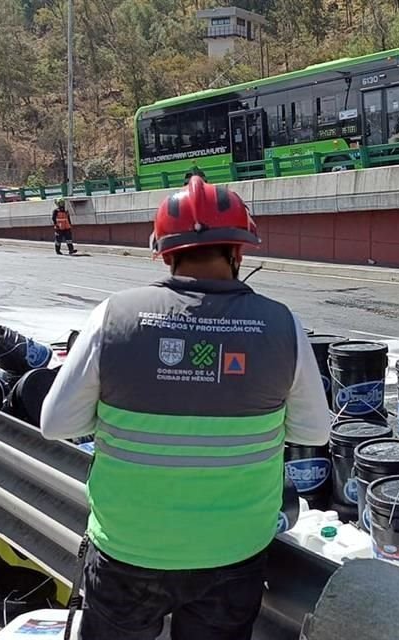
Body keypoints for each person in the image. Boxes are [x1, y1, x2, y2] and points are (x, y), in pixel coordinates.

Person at [39, 176, 331, 639]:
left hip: (128, 551)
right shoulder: (283, 325)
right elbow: (314, 432)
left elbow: (55, 424)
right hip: (233, 554)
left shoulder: (114, 315)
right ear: (238, 253)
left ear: (167, 253)